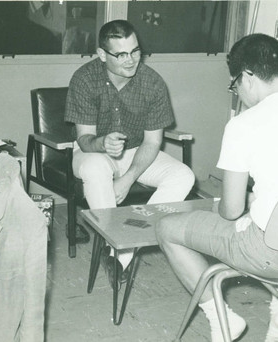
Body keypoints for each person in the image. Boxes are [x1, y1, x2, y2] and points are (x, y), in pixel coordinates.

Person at [156, 33, 278, 342]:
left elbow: (230, 211)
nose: (238, 94)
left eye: (235, 85)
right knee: (269, 216)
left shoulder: (244, 124)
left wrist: (228, 203)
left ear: (248, 76)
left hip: (271, 255)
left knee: (167, 228)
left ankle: (222, 321)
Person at [64, 20, 195, 289]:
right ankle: (115, 245)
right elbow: (84, 140)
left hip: (137, 152)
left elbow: (152, 142)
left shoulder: (152, 82)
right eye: (121, 54)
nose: (131, 60)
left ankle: (124, 248)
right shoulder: (84, 78)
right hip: (94, 152)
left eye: (135, 51)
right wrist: (102, 143)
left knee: (183, 175)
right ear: (102, 55)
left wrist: (128, 178)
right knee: (94, 169)